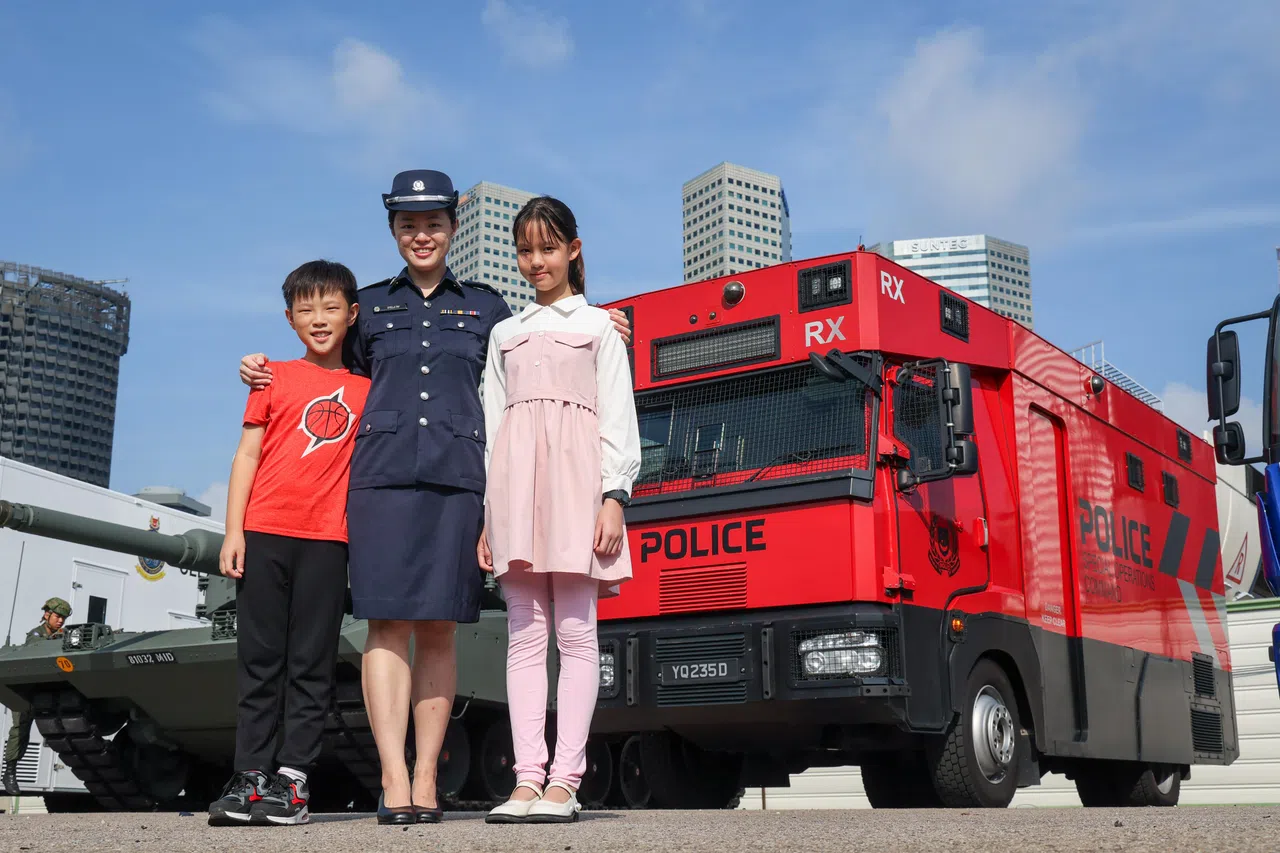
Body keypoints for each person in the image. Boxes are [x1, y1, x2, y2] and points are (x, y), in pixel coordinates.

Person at [236, 170, 632, 825]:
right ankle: (393, 777)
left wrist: (603, 323)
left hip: (458, 483)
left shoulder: (490, 309)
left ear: (453, 228)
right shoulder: (365, 306)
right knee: (385, 628)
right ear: (393, 231)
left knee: (440, 631)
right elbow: (326, 362)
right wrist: (263, 368)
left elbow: (536, 363)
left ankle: (427, 779)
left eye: (433, 224)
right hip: (380, 483)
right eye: (407, 225)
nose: (421, 236)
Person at [479, 196, 640, 823]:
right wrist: (489, 516)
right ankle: (524, 780)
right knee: (523, 637)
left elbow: (618, 419)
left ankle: (564, 781)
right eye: (525, 250)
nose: (536, 261)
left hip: (580, 490)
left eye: (548, 247)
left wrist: (614, 497)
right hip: (514, 494)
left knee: (576, 634)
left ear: (573, 248)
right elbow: (491, 429)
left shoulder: (601, 328)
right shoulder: (505, 333)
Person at [207, 260, 369, 827]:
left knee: (310, 664)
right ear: (289, 318)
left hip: (328, 540)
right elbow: (246, 454)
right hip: (263, 533)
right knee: (258, 661)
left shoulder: (368, 389)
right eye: (306, 310)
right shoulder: (271, 377)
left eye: (330, 309)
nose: (318, 320)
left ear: (352, 315)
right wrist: (233, 531)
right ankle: (249, 774)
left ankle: (292, 781)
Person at [2, 597, 71, 795]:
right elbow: (39, 647)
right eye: (58, 617)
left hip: (45, 691)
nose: (60, 621)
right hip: (25, 691)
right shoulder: (36, 634)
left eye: (63, 618)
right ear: (47, 615)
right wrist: (60, 638)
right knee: (20, 730)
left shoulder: (59, 634)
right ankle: (10, 773)